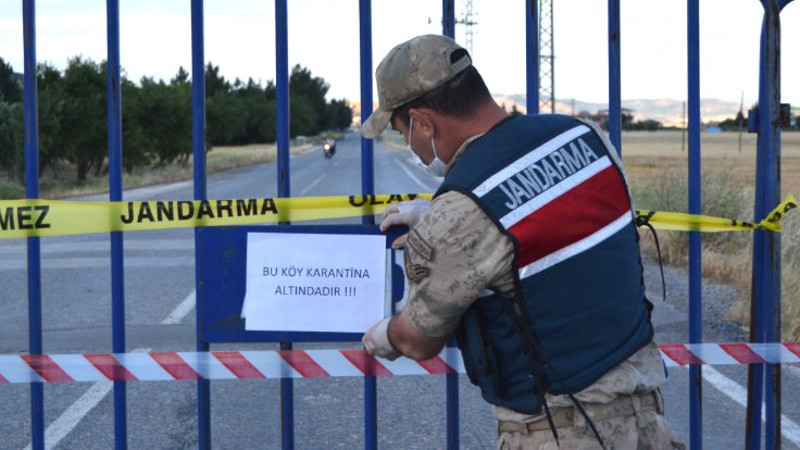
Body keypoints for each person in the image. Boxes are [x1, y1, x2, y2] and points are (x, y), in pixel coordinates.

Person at [360, 34, 686, 449]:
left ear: (424, 122)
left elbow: (418, 339)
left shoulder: (462, 210)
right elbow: (554, 227)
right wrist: (445, 218)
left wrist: (385, 335)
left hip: (561, 431)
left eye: (401, 131)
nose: (411, 147)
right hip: (649, 422)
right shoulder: (585, 136)